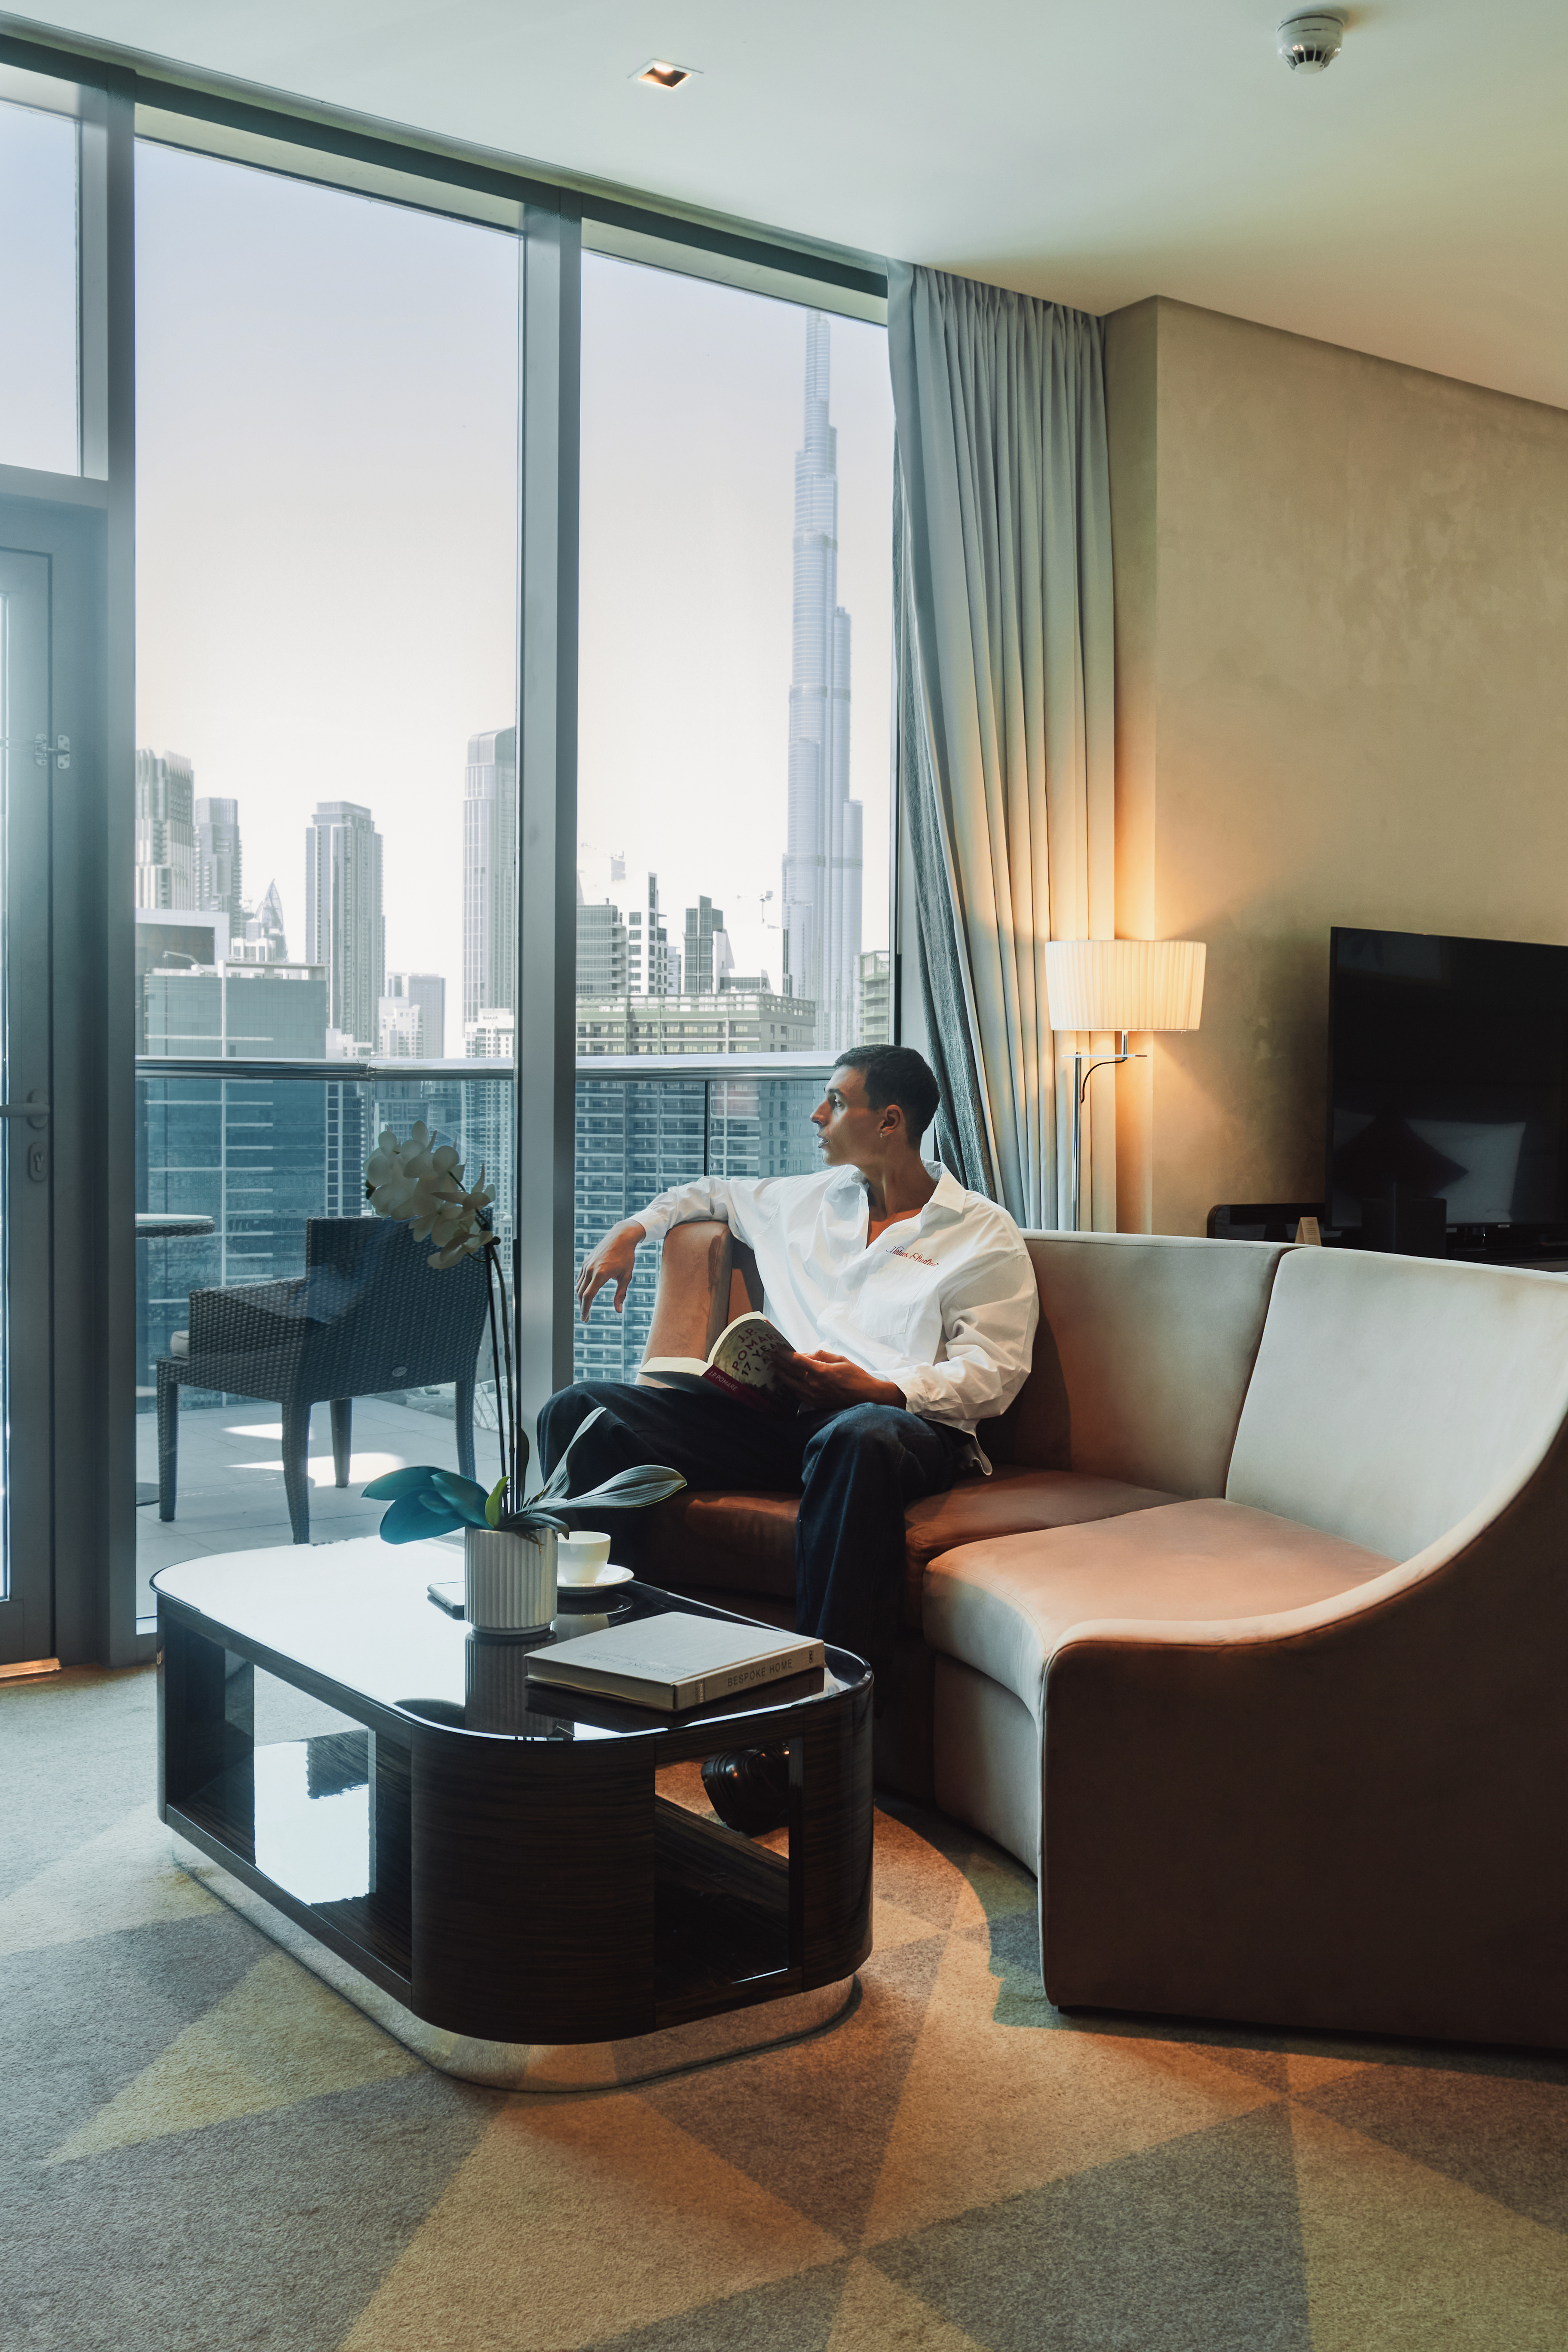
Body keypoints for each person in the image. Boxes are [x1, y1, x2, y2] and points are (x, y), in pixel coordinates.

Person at [537, 1043, 1039, 1831]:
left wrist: (878, 1386)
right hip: (781, 1420)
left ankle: (817, 1730)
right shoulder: (808, 1198)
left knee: (857, 1440)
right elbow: (707, 1191)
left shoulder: (981, 1234)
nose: (817, 1116)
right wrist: (634, 1228)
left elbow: (994, 1371)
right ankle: (600, 1665)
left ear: (891, 1120)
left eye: (835, 1103)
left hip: (899, 1426)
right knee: (582, 1413)